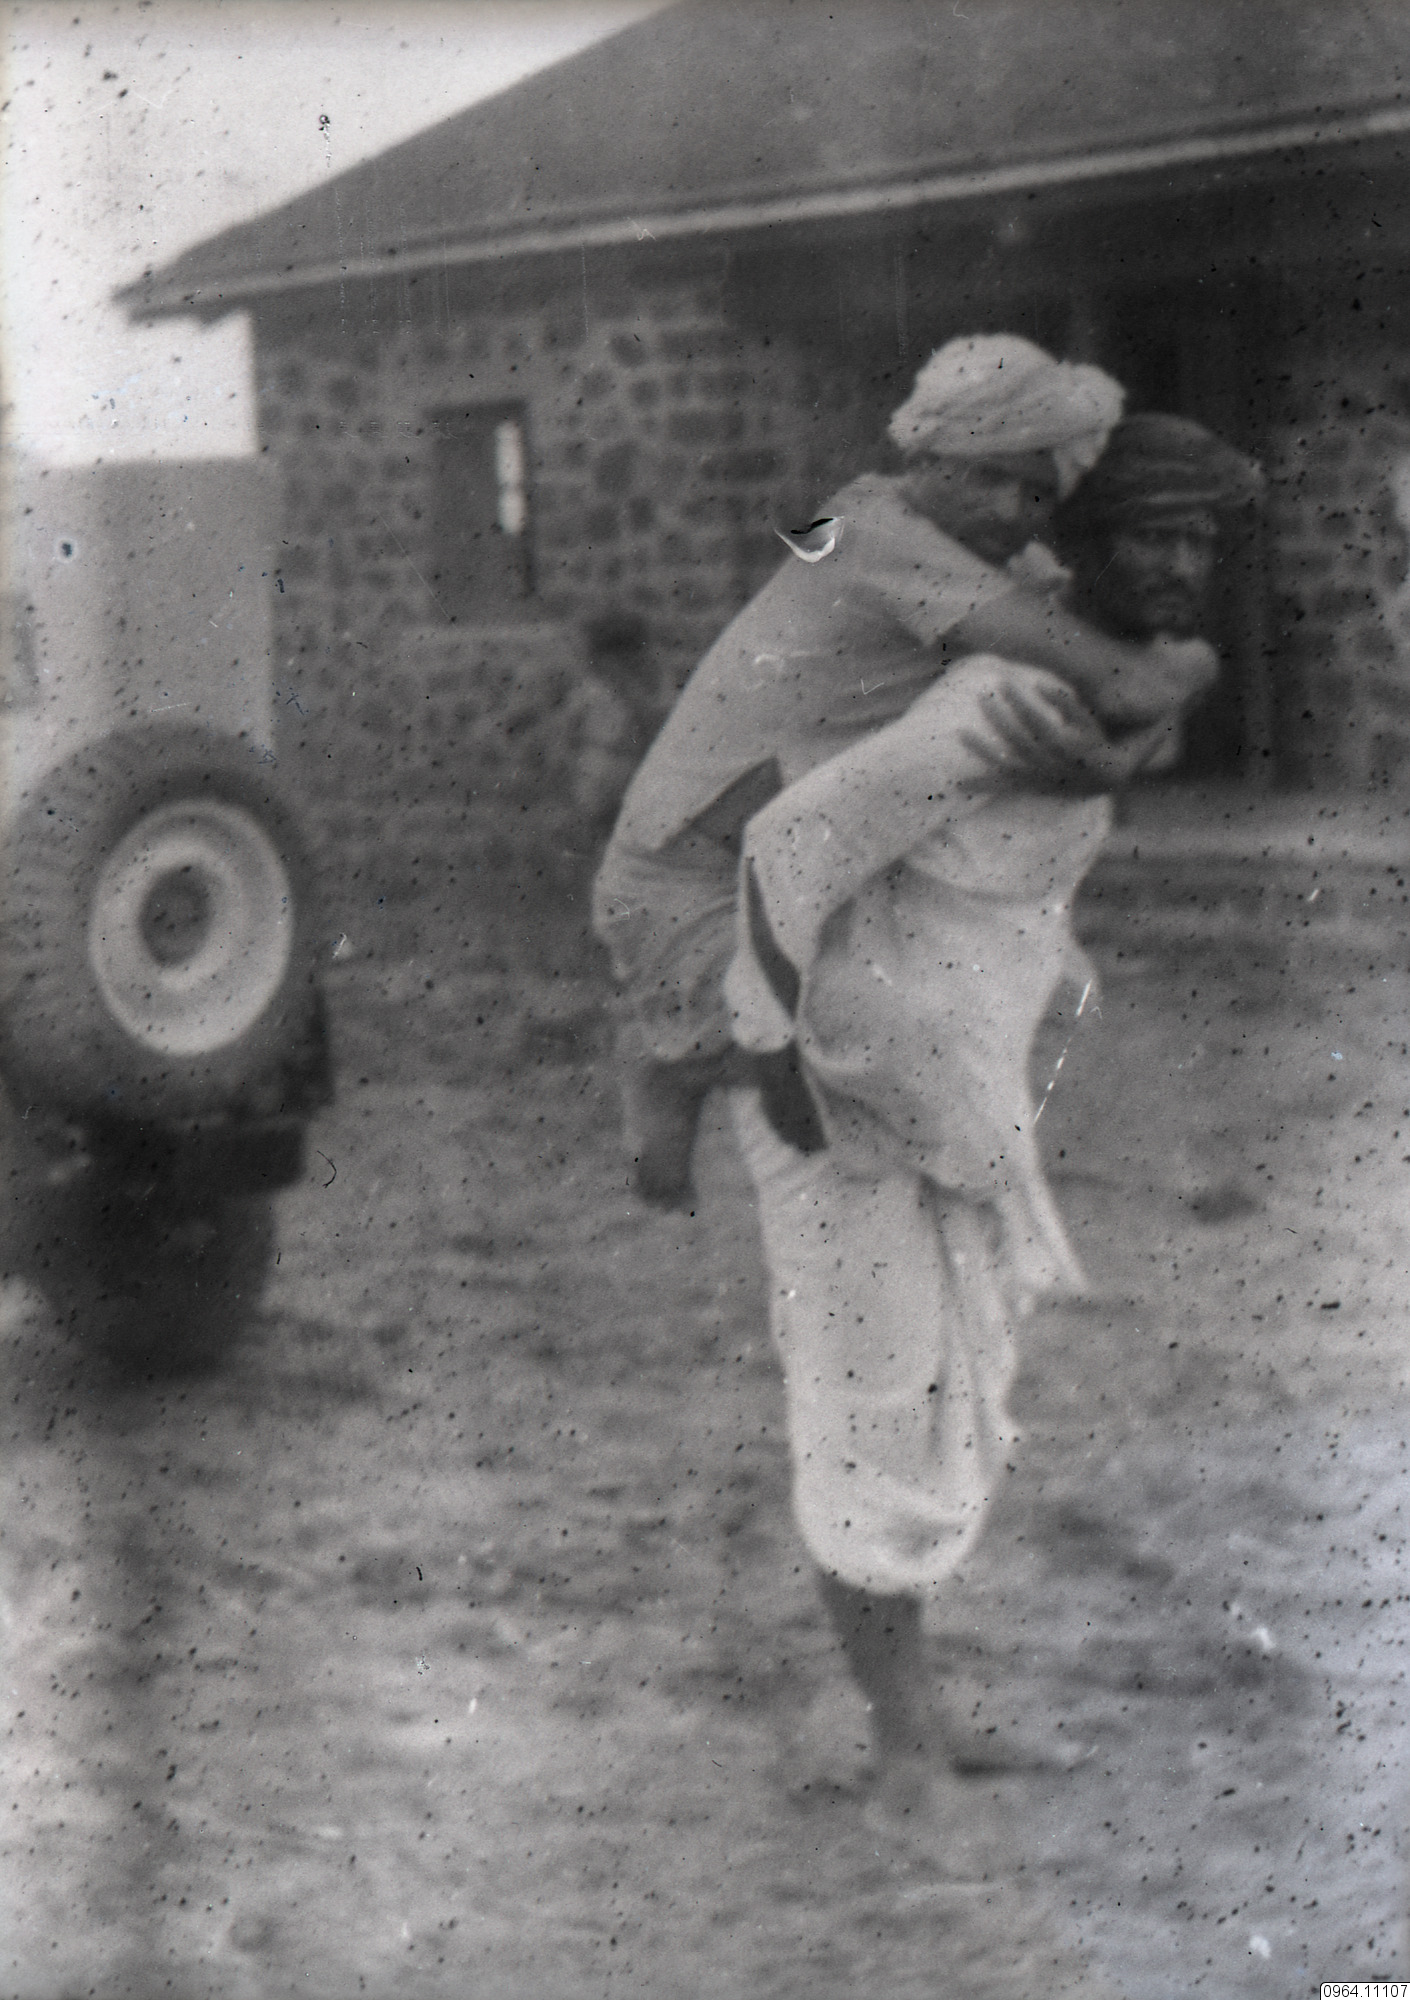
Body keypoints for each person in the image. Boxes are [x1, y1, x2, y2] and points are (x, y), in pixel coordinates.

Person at [723, 410, 1262, 1826]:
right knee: (868, 1404)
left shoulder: (1103, 686)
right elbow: (784, 843)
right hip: (837, 1084)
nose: (1178, 564)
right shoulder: (993, 704)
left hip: (953, 1083)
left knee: (949, 1394)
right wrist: (767, 1051)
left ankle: (921, 1716)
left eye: (1197, 540)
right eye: (1149, 535)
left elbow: (1167, 680)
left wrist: (1132, 743)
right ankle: (900, 1746)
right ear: (1083, 546)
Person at [592, 336, 1220, 1207]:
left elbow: (1157, 679)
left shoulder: (990, 559)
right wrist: (1147, 720)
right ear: (925, 457)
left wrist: (1134, 735)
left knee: (964, 1038)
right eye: (986, 477)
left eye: (1036, 491)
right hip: (683, 874)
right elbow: (1137, 682)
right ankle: (677, 1061)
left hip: (808, 860)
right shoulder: (871, 538)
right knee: (873, 1061)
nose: (1010, 509)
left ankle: (699, 1061)